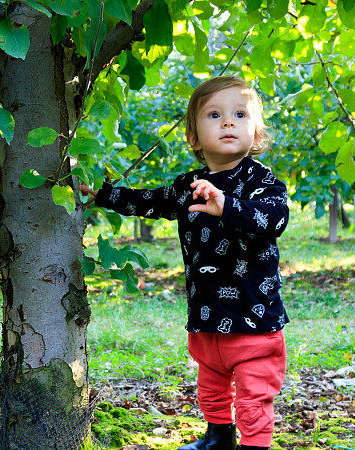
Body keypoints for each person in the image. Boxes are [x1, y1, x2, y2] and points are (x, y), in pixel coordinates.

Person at [80, 76, 289, 450]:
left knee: (254, 395)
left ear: (256, 133)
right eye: (214, 114)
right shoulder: (189, 185)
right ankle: (218, 436)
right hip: (207, 313)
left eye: (240, 114)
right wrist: (104, 195)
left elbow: (275, 219)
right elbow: (154, 200)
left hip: (253, 319)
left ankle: (254, 445)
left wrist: (226, 206)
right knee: (210, 383)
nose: (228, 122)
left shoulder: (262, 181)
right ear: (193, 137)